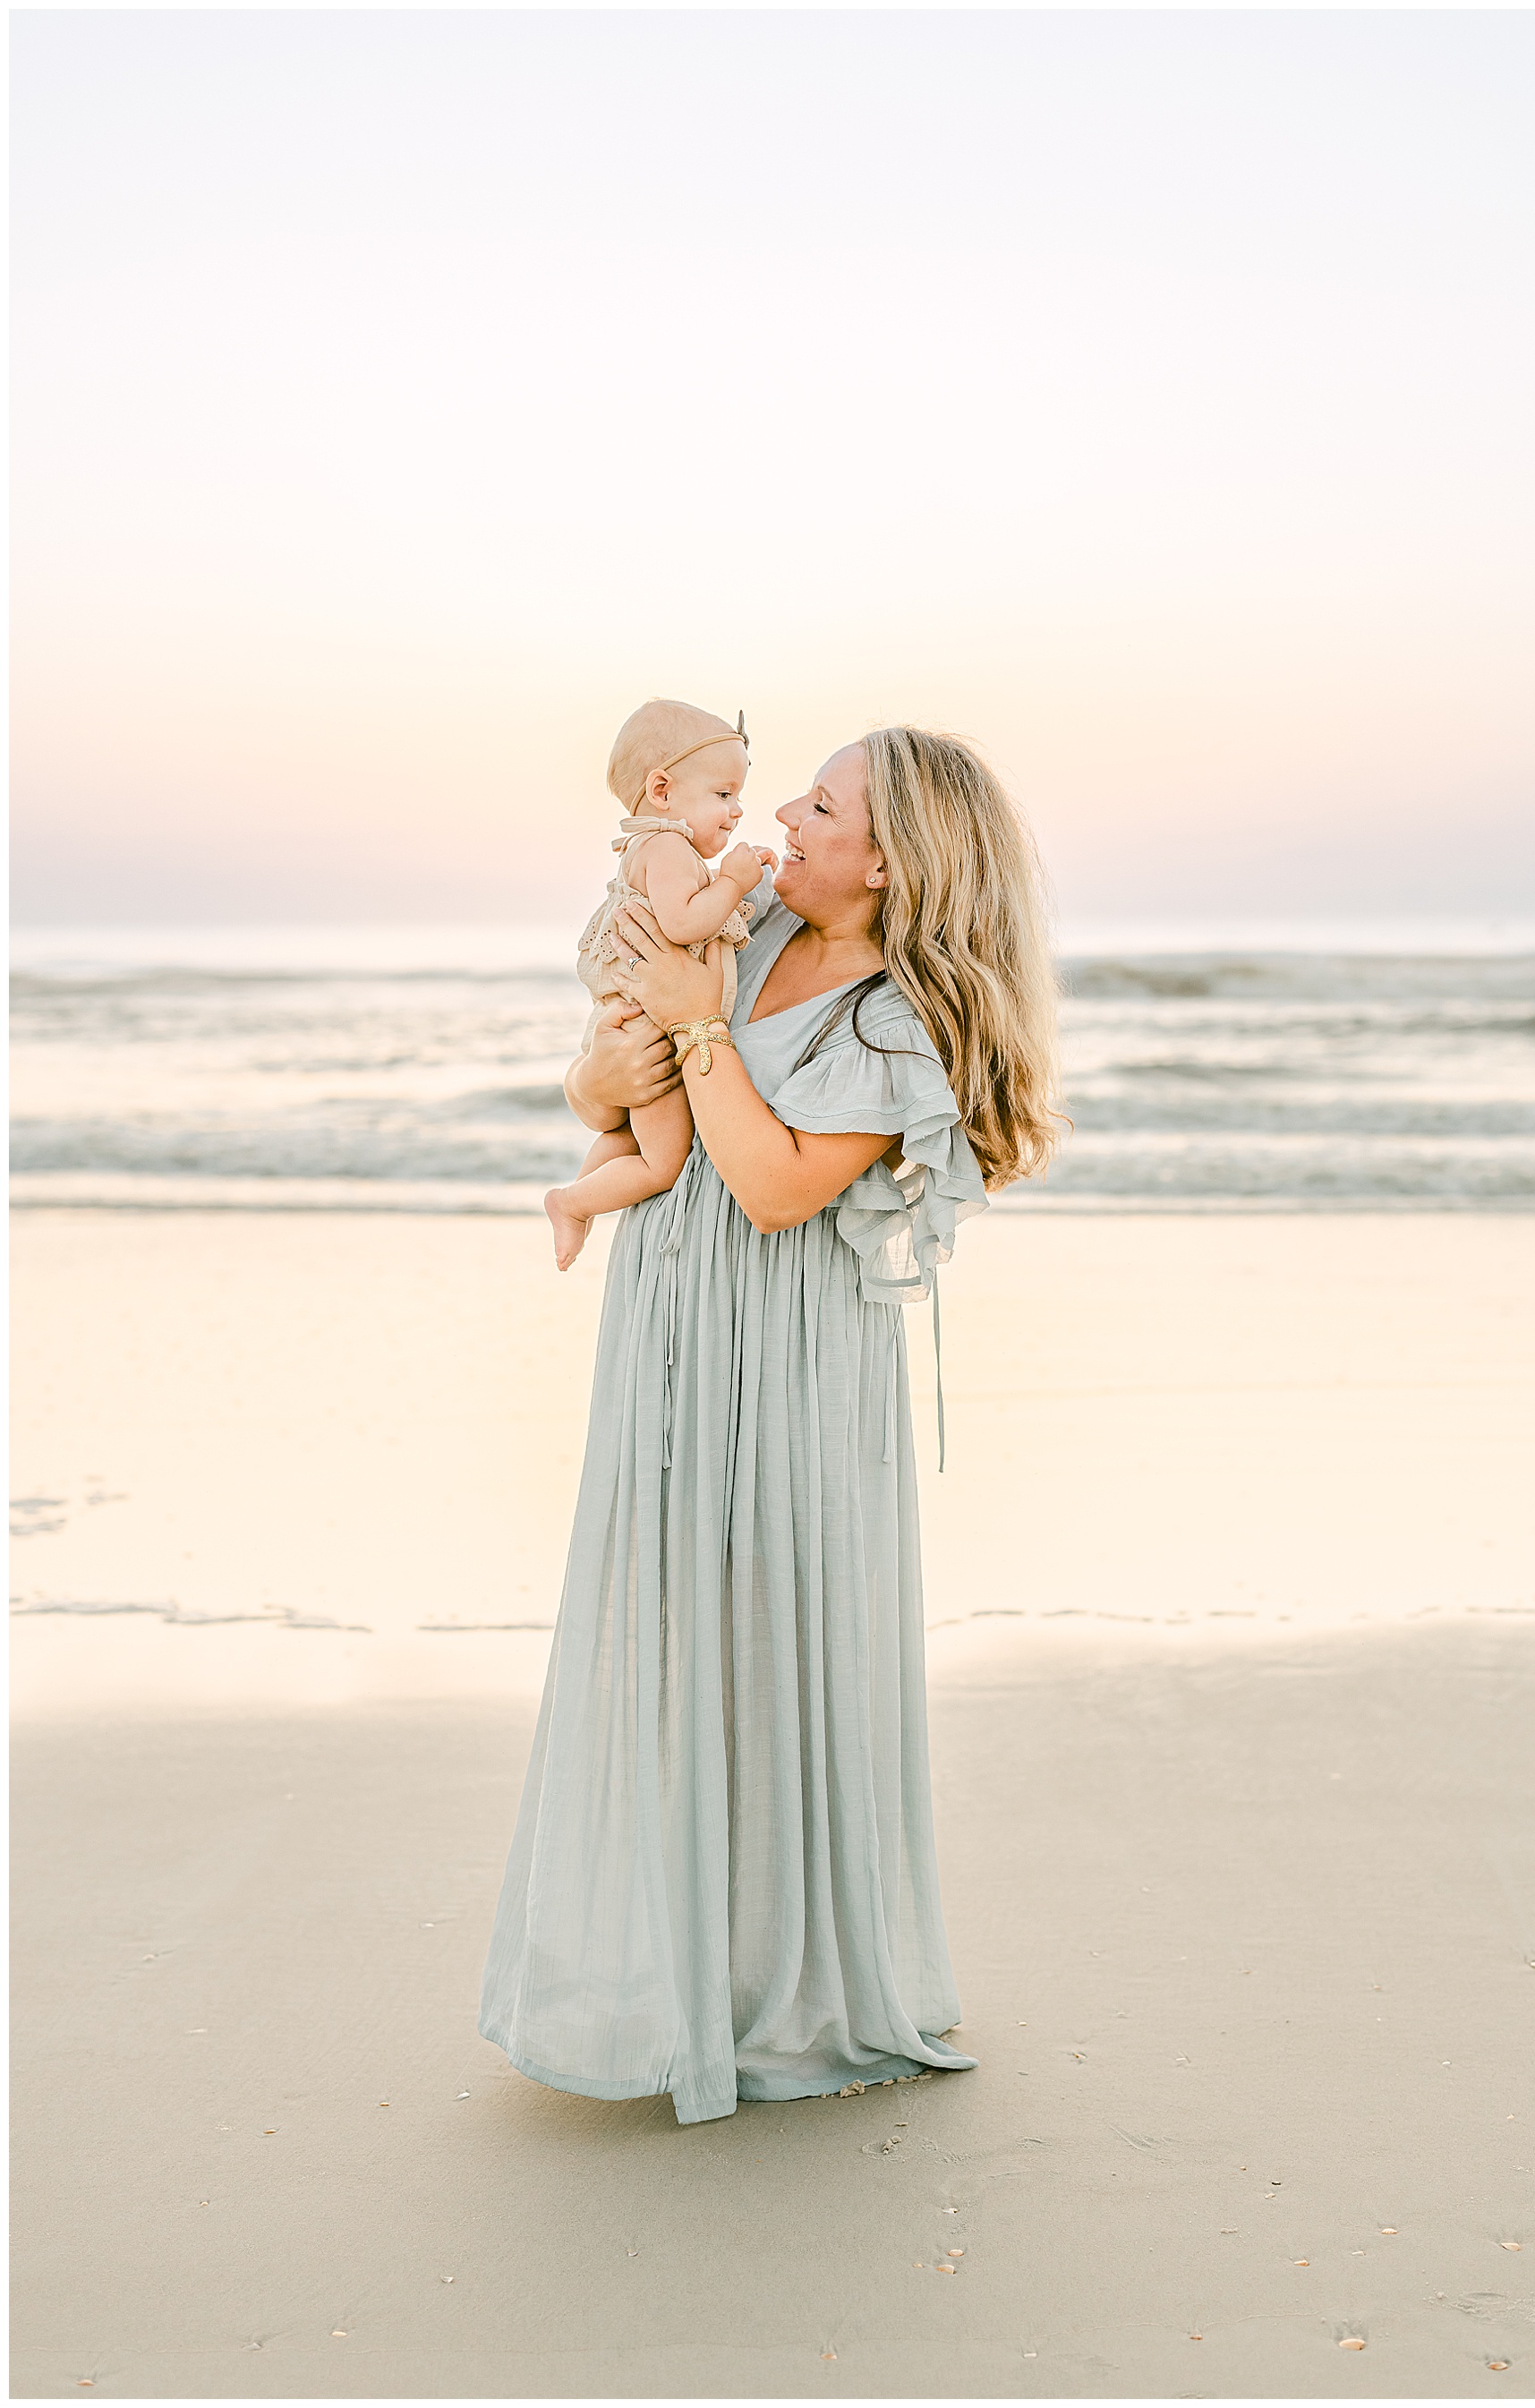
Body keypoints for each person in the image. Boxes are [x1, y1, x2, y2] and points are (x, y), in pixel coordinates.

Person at [480, 727, 1062, 2125]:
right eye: (797, 792)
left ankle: (786, 1988)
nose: (788, 816)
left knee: (776, 1638)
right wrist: (619, 1068)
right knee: (672, 1623)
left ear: (893, 859)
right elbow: (600, 1086)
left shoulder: (893, 1019)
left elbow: (779, 1186)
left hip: (795, 1358)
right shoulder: (732, 931)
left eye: (824, 804)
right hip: (673, 1326)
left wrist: (688, 1030)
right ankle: (675, 1971)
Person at [545, 698, 772, 1268]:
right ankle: (572, 1203)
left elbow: (687, 911)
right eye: (723, 795)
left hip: (643, 1023)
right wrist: (737, 881)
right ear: (663, 790)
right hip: (654, 1030)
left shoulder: (663, 851)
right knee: (660, 1164)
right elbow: (685, 922)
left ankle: (576, 1205)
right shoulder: (668, 847)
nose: (737, 810)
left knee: (630, 1140)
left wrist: (724, 880)